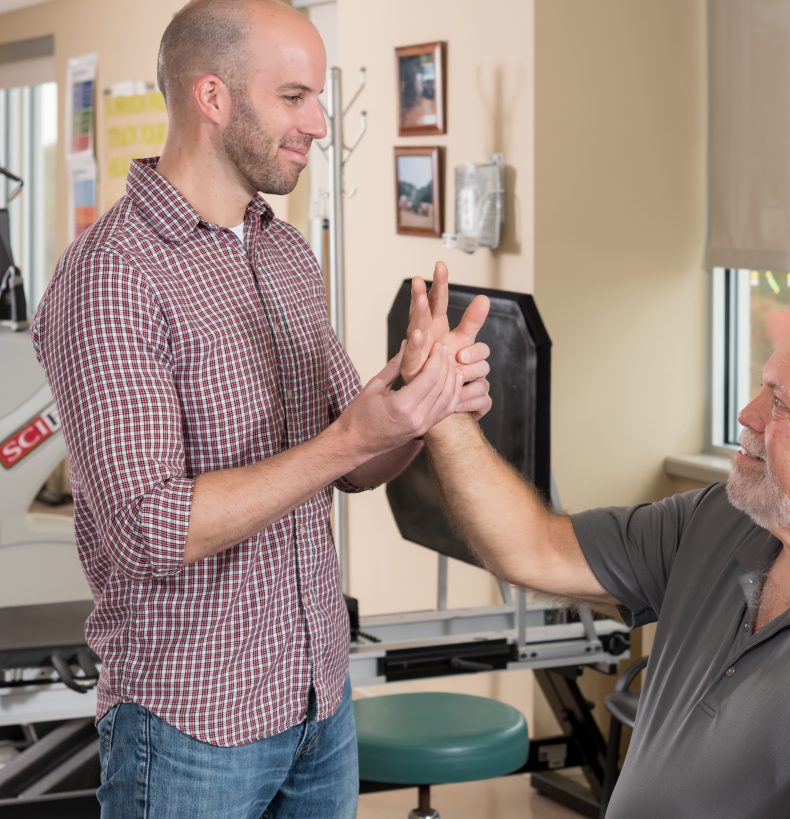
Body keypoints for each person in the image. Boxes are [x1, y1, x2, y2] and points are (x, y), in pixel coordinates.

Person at [31, 1, 490, 817]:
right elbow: (149, 529)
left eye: (318, 96)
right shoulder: (112, 277)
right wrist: (352, 433)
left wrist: (419, 404)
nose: (317, 121)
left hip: (318, 706)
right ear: (213, 97)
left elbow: (353, 464)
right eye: (294, 96)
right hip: (189, 730)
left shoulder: (282, 253)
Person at [419, 314, 790, 817]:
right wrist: (442, 410)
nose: (746, 415)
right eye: (761, 387)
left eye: (780, 404)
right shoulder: (723, 519)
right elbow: (533, 547)